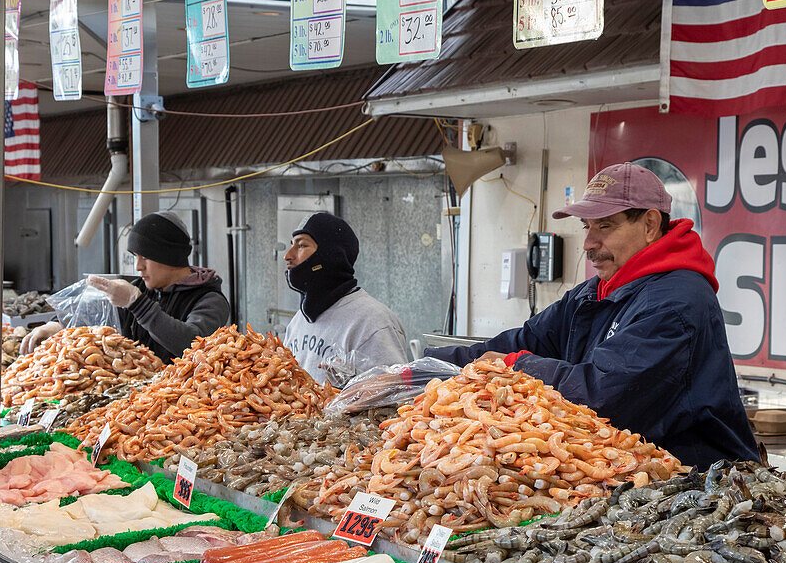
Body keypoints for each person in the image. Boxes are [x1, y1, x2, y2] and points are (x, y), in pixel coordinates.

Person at [426, 162, 759, 470]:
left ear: (650, 224)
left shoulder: (677, 301)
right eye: (587, 226)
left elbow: (603, 395)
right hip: (628, 477)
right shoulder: (596, 291)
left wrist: (517, 365)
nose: (588, 242)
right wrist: (423, 368)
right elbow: (525, 341)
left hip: (699, 485)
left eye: (605, 226)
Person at [21, 212, 231, 364]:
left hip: (187, 405)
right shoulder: (141, 288)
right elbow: (92, 317)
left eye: (145, 258)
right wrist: (55, 326)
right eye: (136, 258)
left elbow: (192, 344)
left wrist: (138, 304)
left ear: (169, 257)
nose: (138, 267)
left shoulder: (209, 299)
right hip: (137, 401)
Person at [283, 212, 409, 385]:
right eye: (291, 244)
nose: (288, 255)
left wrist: (352, 387)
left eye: (302, 245)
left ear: (329, 255)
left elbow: (396, 395)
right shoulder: (298, 322)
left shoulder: (373, 321)